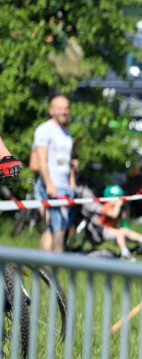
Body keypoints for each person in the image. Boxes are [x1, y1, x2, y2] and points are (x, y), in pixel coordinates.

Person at [32, 95, 77, 253]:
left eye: (66, 108)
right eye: (60, 108)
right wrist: (49, 184)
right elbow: (41, 161)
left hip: (65, 187)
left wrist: (72, 182)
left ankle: (47, 269)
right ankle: (56, 267)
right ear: (52, 110)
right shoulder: (44, 130)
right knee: (56, 227)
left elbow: (67, 160)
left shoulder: (67, 133)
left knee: (56, 227)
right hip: (51, 185)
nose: (64, 111)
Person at [96, 184, 142, 259]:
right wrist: (118, 205)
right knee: (121, 232)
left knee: (124, 231)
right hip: (103, 230)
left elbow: (124, 223)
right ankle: (125, 254)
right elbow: (114, 215)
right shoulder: (106, 206)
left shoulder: (117, 207)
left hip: (112, 230)